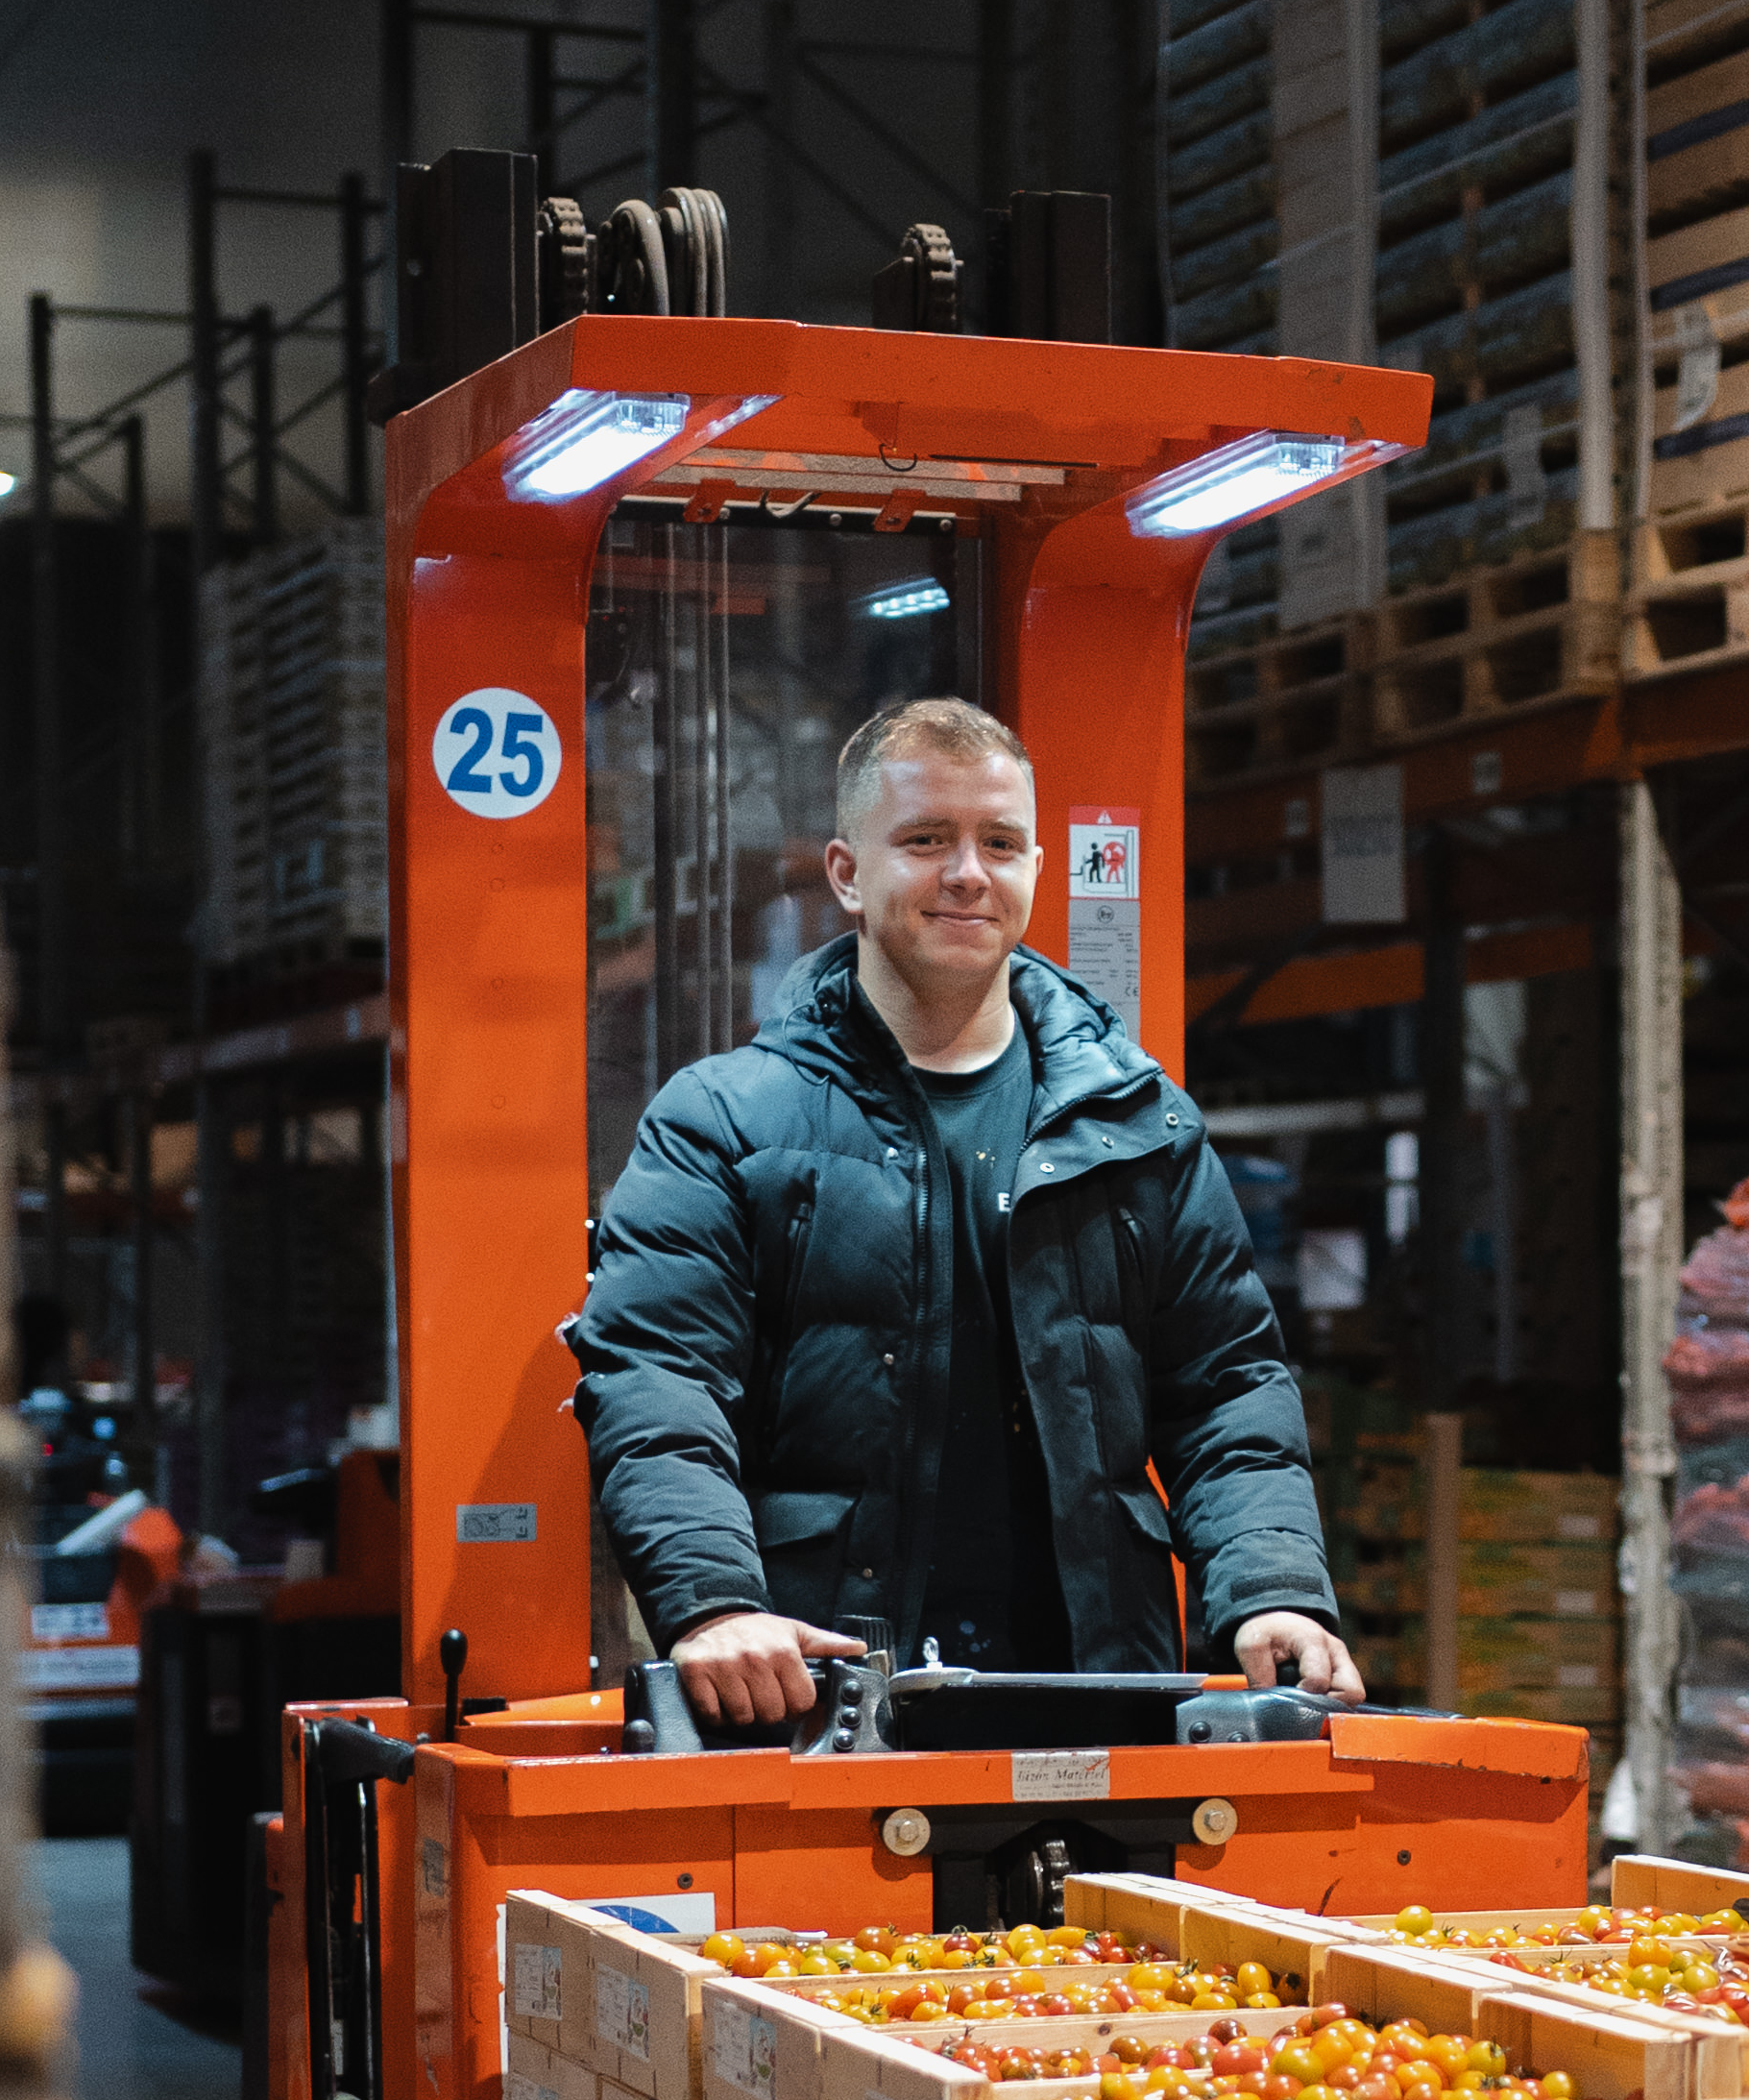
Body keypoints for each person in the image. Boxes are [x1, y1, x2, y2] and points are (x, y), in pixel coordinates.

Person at [567, 690, 1364, 1725]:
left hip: (1096, 1693)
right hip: (821, 1703)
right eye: (926, 839)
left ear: (1035, 867)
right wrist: (714, 1603)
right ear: (847, 874)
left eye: (1000, 842)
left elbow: (1227, 1387)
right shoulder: (723, 1120)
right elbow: (659, 1378)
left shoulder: (1139, 1125)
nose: (968, 873)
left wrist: (1271, 1588)